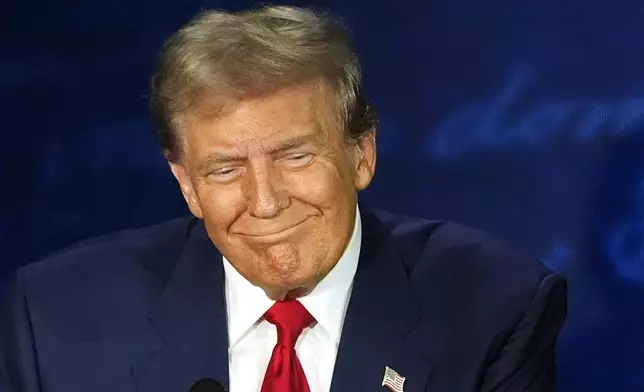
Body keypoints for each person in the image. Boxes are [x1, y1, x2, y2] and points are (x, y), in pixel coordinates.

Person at [0, 5, 567, 392]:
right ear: (185, 184)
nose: (265, 202)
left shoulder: (492, 308)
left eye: (296, 156)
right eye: (224, 169)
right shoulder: (56, 320)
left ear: (362, 153)